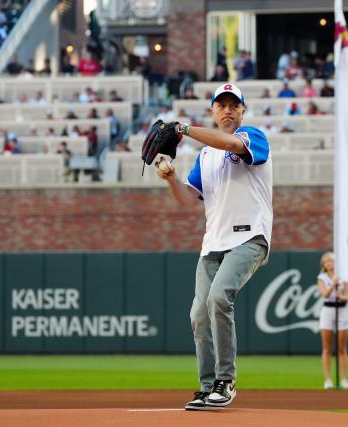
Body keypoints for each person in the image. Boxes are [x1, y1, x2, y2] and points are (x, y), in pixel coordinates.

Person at [155, 83, 272, 411]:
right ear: (213, 111)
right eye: (221, 105)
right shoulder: (206, 156)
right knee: (198, 314)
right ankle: (208, 387)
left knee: (220, 297)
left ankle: (226, 380)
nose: (228, 110)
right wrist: (171, 180)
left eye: (234, 104)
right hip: (214, 245)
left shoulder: (253, 136)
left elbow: (233, 144)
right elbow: (187, 197)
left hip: (250, 238)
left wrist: (185, 129)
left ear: (243, 110)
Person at [317, 252, 348, 390]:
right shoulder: (322, 278)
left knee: (342, 348)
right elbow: (325, 294)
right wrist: (333, 285)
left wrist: (341, 296)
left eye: (330, 261)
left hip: (341, 310)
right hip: (328, 311)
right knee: (327, 348)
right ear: (324, 265)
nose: (328, 264)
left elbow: (347, 296)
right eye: (326, 262)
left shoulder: (345, 277)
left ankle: (344, 379)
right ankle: (328, 380)